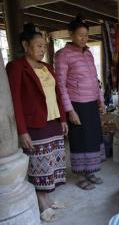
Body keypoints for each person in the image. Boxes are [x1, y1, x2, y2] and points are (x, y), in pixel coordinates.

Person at [6, 23, 68, 222]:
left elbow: (57, 94)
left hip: (53, 121)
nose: (42, 50)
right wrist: (22, 131)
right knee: (39, 165)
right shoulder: (16, 67)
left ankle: (48, 199)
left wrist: (63, 119)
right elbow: (14, 100)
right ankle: (42, 203)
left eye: (44, 46)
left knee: (52, 163)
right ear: (26, 45)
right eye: (39, 46)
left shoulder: (48, 67)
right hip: (35, 125)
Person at [55, 15, 105, 190]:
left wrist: (101, 99)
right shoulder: (63, 55)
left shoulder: (88, 53)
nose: (83, 38)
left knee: (91, 138)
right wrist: (70, 110)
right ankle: (79, 175)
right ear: (71, 34)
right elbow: (60, 85)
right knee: (79, 140)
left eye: (86, 35)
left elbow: (94, 78)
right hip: (77, 104)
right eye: (80, 35)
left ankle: (90, 171)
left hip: (91, 103)